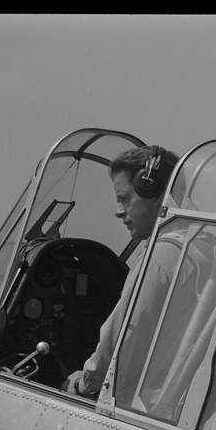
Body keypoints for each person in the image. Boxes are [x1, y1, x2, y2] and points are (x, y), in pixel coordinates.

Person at [63, 145, 186, 398]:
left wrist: (80, 384)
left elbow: (119, 342)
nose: (118, 211)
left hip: (145, 406)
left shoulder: (160, 258)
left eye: (125, 199)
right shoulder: (204, 246)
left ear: (156, 193)